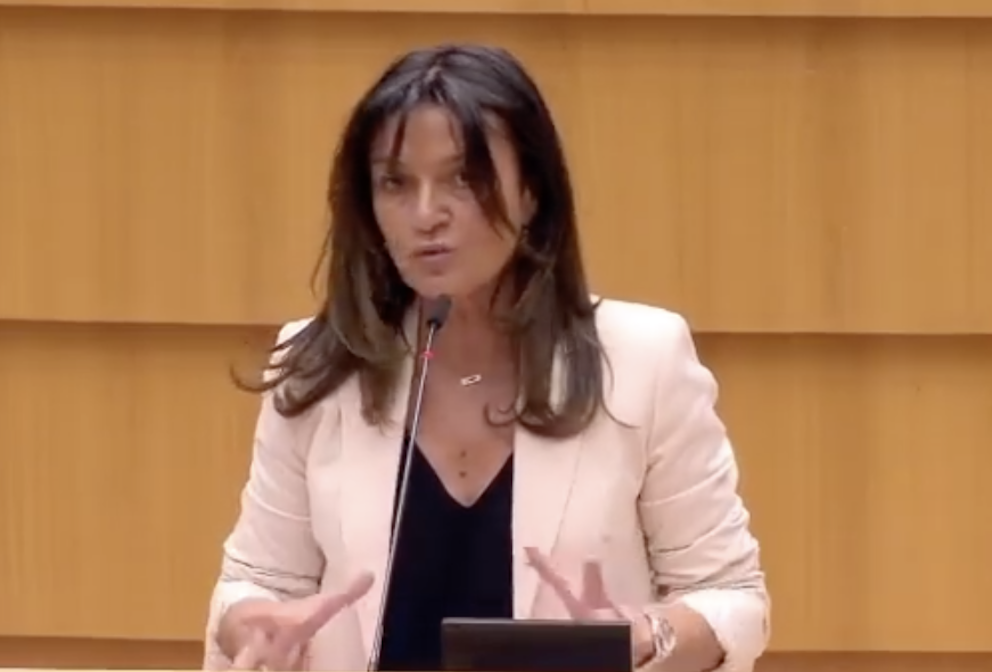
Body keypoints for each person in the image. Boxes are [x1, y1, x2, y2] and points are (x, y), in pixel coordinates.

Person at [203, 43, 769, 672]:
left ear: (532, 192)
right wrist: (247, 623)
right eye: (395, 183)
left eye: (464, 179)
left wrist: (647, 636)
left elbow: (730, 597)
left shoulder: (642, 360)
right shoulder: (321, 364)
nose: (425, 215)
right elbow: (256, 581)